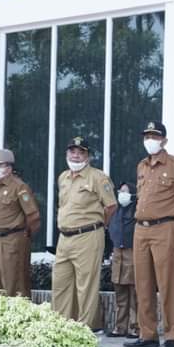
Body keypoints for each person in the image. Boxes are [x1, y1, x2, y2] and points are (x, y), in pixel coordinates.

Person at [125, 121, 174, 347]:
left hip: (165, 227)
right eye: (146, 136)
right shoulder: (142, 166)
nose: (150, 140)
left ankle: (173, 334)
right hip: (141, 229)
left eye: (154, 136)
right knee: (143, 283)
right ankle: (148, 334)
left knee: (168, 282)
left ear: (164, 140)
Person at [52, 137, 117, 332]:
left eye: (80, 152)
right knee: (60, 283)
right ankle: (59, 327)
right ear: (66, 154)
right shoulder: (63, 177)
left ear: (87, 156)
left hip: (88, 235)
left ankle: (85, 329)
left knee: (86, 286)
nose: (75, 155)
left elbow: (111, 206)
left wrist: (98, 226)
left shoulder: (98, 177)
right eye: (72, 151)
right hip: (64, 237)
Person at [0, 149, 41, 297]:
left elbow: (33, 216)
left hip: (10, 240)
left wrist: (23, 237)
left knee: (13, 284)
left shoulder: (19, 187)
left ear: (8, 167)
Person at [107, 182, 139, 338]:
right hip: (117, 254)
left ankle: (135, 327)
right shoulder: (115, 212)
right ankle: (120, 327)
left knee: (134, 295)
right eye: (121, 191)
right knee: (120, 294)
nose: (122, 194)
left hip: (132, 253)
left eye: (126, 191)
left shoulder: (137, 212)